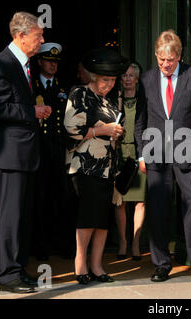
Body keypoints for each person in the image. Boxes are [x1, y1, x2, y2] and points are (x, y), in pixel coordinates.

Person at [135, 30, 191, 283]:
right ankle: (161, 264)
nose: (165, 65)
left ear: (179, 56)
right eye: (160, 60)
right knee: (158, 210)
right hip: (156, 155)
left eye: (169, 61)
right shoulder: (147, 79)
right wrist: (141, 153)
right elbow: (140, 120)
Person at [0, 12, 51, 294]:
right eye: (38, 36)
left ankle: (19, 269)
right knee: (10, 216)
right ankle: (8, 275)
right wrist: (31, 112)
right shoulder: (1, 64)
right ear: (20, 36)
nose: (42, 40)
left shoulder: (24, 65)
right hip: (10, 154)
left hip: (25, 155)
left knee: (22, 216)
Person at [64, 47, 125, 285]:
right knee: (88, 216)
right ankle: (80, 264)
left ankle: (97, 265)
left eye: (112, 80)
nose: (109, 84)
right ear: (93, 77)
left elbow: (116, 128)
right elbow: (72, 128)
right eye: (105, 80)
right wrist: (103, 130)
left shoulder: (109, 99)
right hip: (85, 166)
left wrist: (117, 132)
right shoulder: (79, 93)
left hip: (108, 166)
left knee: (102, 218)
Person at [32, 42, 75, 261]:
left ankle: (63, 244)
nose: (52, 66)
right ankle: (40, 246)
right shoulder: (31, 85)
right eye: (48, 61)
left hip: (59, 148)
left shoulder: (63, 85)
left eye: (55, 62)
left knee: (62, 197)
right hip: (38, 148)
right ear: (39, 62)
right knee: (40, 197)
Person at [113, 62, 146, 261]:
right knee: (120, 202)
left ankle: (135, 243)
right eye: (124, 75)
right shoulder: (113, 100)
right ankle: (122, 242)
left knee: (140, 202)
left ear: (137, 79)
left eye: (131, 75)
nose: (127, 78)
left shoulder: (145, 101)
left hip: (138, 152)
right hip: (119, 153)